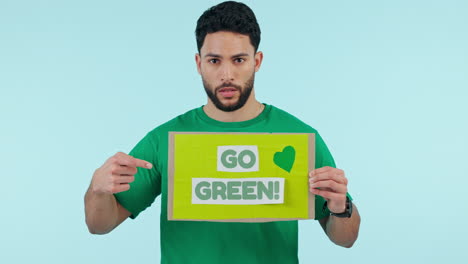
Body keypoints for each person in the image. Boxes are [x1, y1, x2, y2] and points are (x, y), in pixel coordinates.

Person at [84, 1, 361, 263]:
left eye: (239, 60)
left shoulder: (300, 138)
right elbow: (99, 225)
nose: (226, 74)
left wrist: (341, 208)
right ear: (198, 63)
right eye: (214, 61)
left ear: (257, 61)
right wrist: (98, 190)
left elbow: (346, 238)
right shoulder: (165, 140)